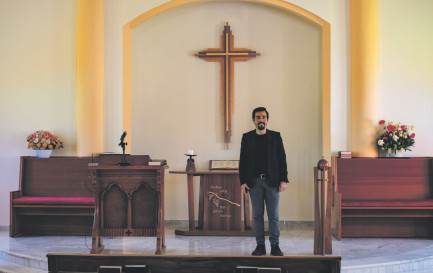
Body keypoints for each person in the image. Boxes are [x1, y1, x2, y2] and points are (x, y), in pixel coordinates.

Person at [239, 107, 288, 256]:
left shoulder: (275, 136)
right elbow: (243, 161)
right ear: (253, 120)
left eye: (264, 117)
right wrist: (243, 182)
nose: (261, 120)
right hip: (254, 182)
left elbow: (282, 159)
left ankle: (275, 246)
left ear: (267, 119)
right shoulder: (247, 137)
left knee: (273, 216)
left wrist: (283, 180)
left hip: (272, 182)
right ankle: (260, 246)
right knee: (257, 216)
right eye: (258, 117)